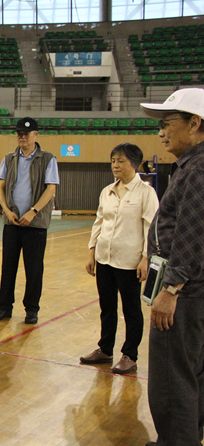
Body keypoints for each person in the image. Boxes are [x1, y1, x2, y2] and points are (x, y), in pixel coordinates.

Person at [125, 88, 204, 446]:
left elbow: (191, 235)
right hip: (193, 291)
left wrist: (171, 290)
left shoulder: (197, 170)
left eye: (167, 123)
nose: (161, 132)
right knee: (192, 372)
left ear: (195, 124)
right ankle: (183, 444)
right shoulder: (193, 165)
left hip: (184, 293)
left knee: (172, 375)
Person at [81, 144, 158, 375]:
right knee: (107, 307)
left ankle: (130, 355)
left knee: (131, 310)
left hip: (129, 261)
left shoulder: (145, 193)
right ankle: (105, 349)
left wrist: (146, 258)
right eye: (113, 160)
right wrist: (91, 251)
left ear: (134, 163)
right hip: (105, 258)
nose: (115, 165)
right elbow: (99, 222)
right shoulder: (107, 191)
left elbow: (151, 228)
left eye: (121, 161)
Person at [0, 117, 59, 325]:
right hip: (12, 222)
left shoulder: (48, 159)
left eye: (26, 134)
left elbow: (51, 189)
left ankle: (31, 309)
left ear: (35, 135)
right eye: (19, 133)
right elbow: (0, 187)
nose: (22, 137)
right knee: (8, 267)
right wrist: (6, 210)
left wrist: (33, 211)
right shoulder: (9, 158)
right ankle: (4, 307)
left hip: (35, 224)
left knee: (34, 269)